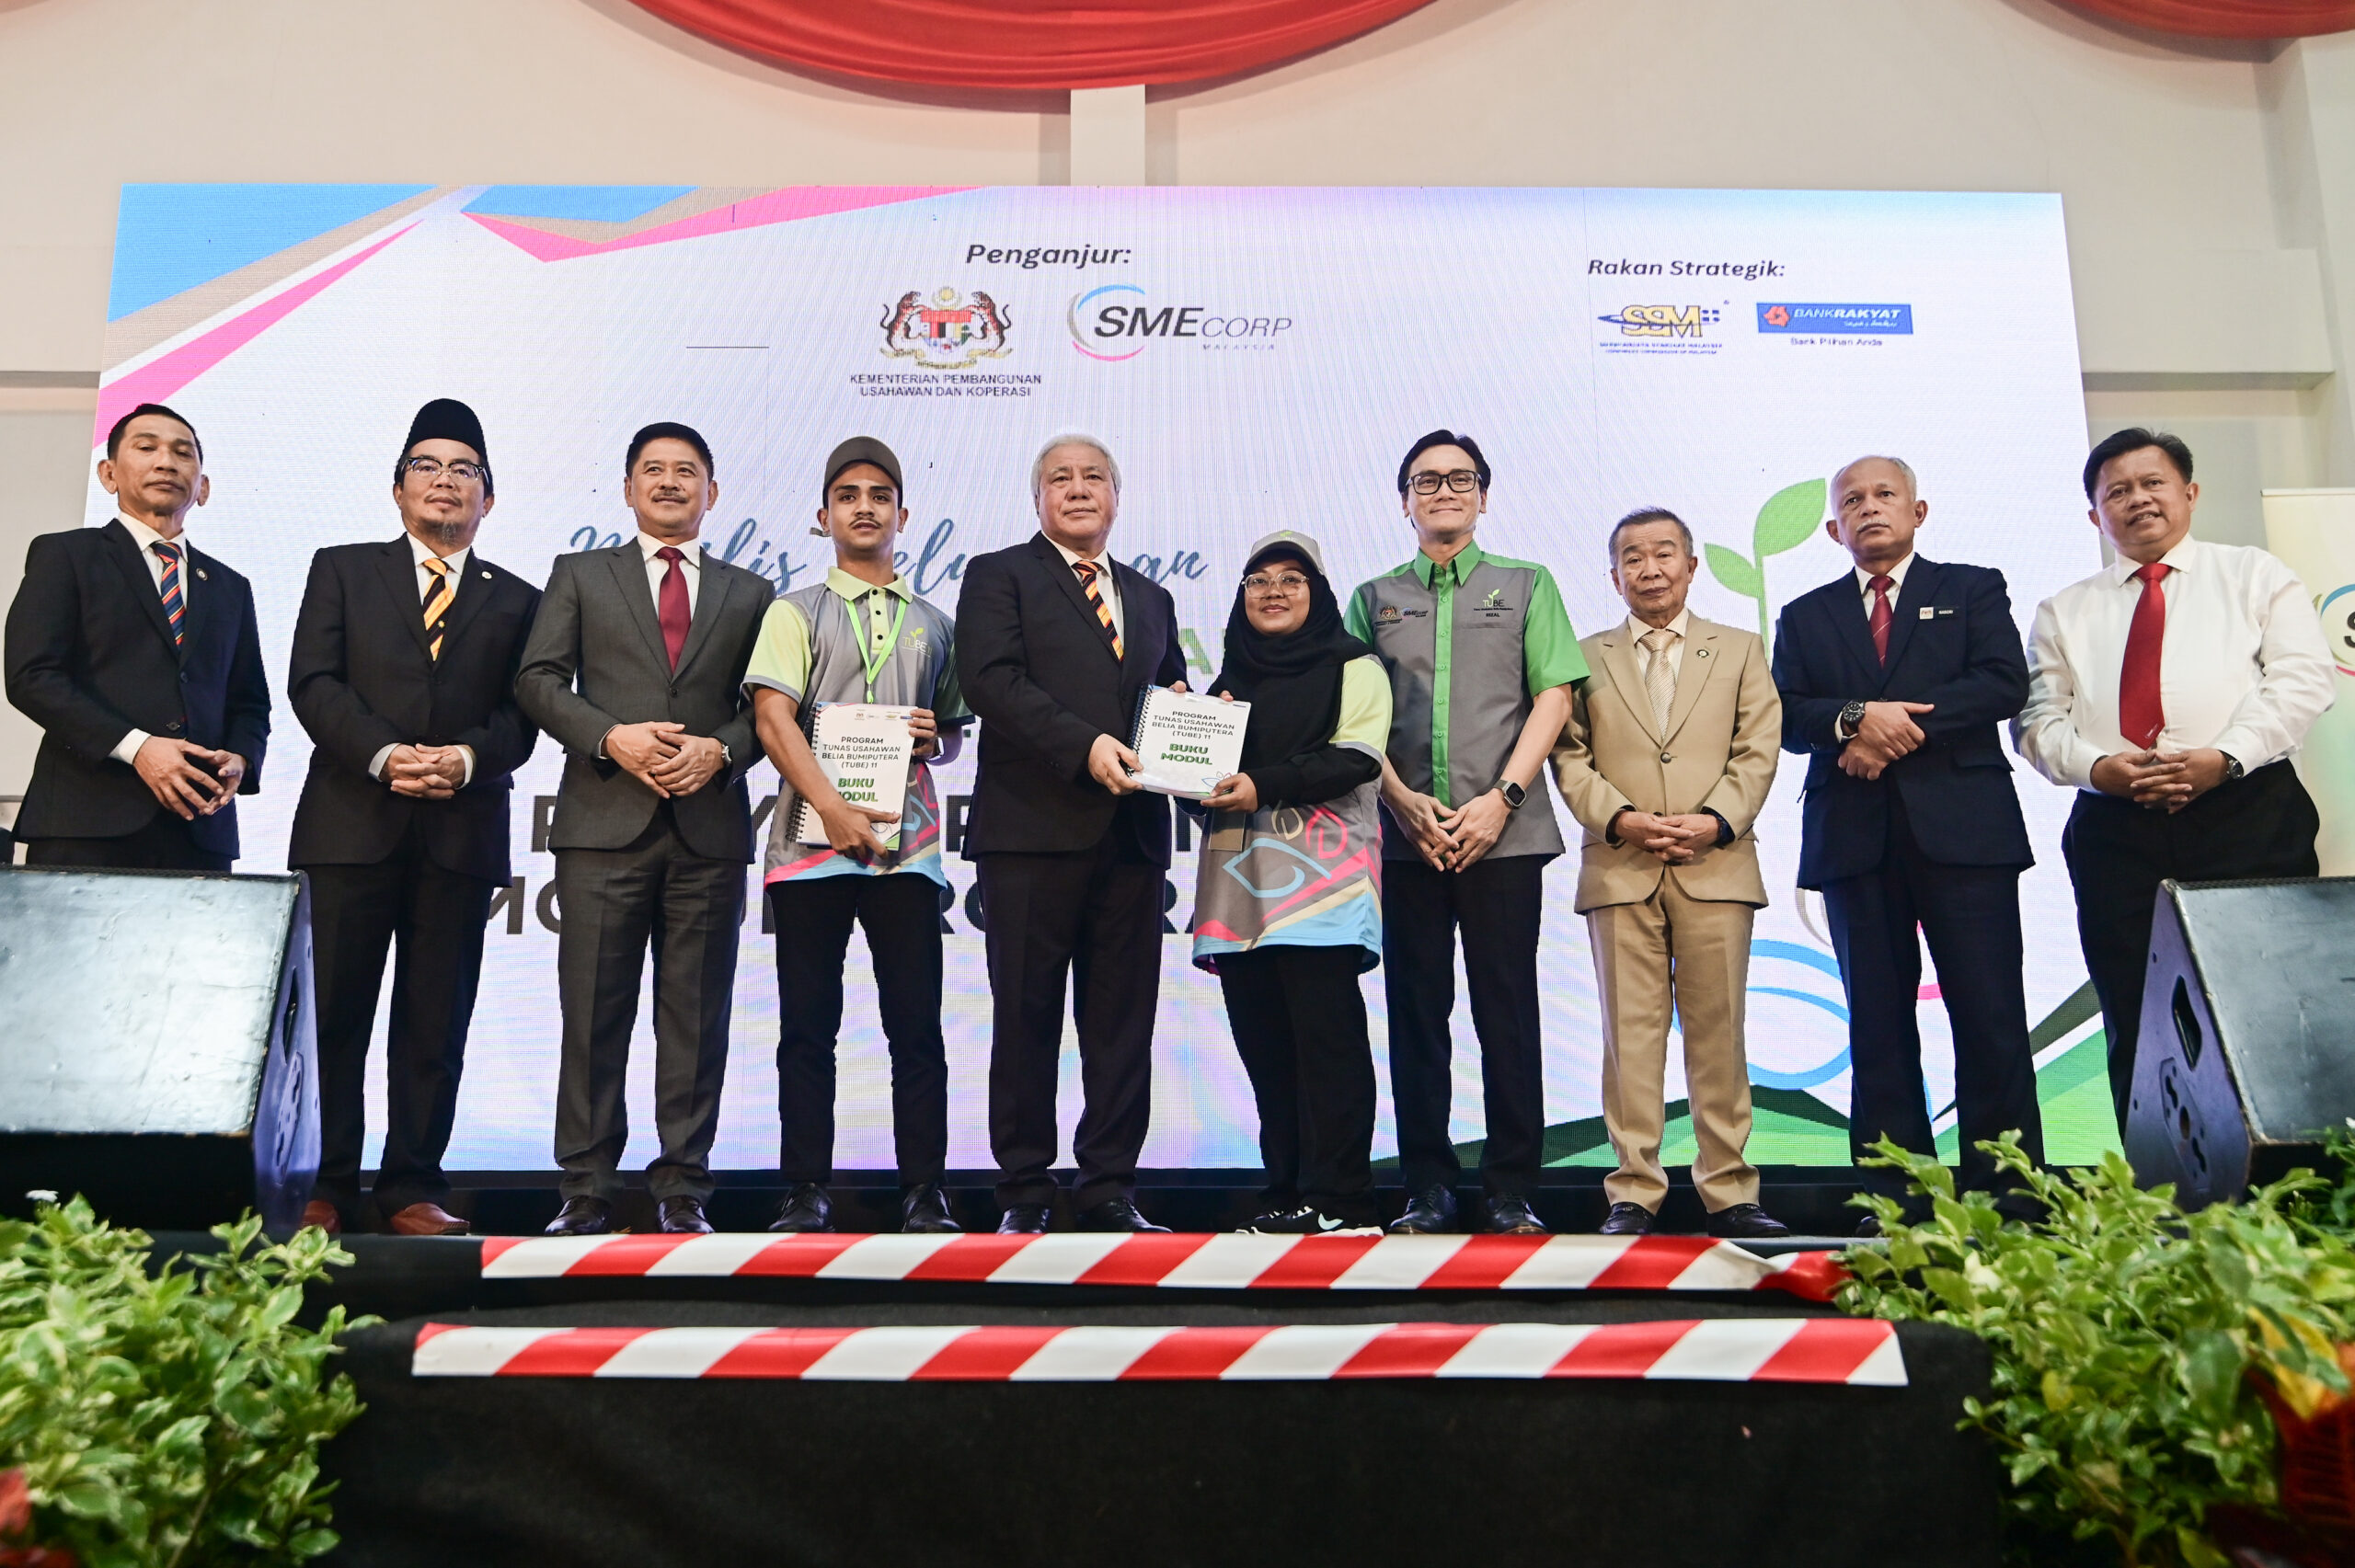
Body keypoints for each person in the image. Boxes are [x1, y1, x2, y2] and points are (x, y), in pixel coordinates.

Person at [2016, 429, 2332, 1128]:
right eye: (2117, 491)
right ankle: (2156, 1176)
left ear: (2189, 492)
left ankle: (2288, 1175)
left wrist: (2224, 757)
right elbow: (2037, 720)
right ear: (2095, 515)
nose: (2138, 499)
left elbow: (2303, 681)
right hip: (2116, 828)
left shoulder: (2253, 574)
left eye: (2152, 483)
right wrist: (2100, 769)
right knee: (2137, 1011)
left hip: (2249, 811)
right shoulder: (2063, 609)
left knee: (2273, 1005)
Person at [284, 399, 542, 1237]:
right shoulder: (342, 569)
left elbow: (524, 714)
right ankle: (322, 1183)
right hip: (349, 827)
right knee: (333, 1017)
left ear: (488, 499)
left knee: (435, 1021)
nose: (445, 481)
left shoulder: (521, 599)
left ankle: (411, 1188)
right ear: (397, 488)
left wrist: (464, 758)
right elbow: (313, 682)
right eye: (426, 466)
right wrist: (384, 753)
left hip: (459, 833)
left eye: (464, 470)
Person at [1772, 455, 2043, 1224]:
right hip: (1856, 840)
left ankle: (2010, 1193)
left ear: (1917, 511)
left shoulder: (1972, 587)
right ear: (1833, 528)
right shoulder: (1806, 614)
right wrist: (1856, 718)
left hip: (1967, 835)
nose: (1869, 507)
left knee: (1990, 1014)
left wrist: (1890, 730)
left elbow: (2002, 682)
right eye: (1852, 500)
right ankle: (1895, 1198)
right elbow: (1787, 714)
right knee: (1878, 1024)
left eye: (1885, 494)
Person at [515, 422, 771, 1237]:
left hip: (708, 829)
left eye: (685, 471)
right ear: (627, 488)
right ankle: (586, 1189)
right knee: (593, 1013)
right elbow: (537, 679)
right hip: (601, 826)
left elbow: (770, 708)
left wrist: (720, 751)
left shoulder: (752, 591)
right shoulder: (580, 574)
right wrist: (608, 737)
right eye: (652, 470)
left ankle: (683, 1189)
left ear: (711, 492)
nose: (668, 482)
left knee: (695, 1018)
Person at [1344, 430, 1584, 1236]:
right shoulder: (1372, 597)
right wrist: (1402, 801)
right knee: (1417, 1015)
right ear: (1403, 500)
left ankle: (1511, 1188)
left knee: (1507, 1013)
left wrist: (1501, 798)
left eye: (1460, 478)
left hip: (1503, 835)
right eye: (1426, 480)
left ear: (1484, 494)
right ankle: (1428, 1188)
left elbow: (1554, 696)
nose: (1443, 490)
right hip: (1406, 837)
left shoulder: (1527, 584)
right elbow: (1351, 714)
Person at [955, 433, 1189, 1234]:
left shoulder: (1152, 597)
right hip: (1030, 831)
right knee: (1025, 1017)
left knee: (1122, 1024)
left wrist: (1200, 723)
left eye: (1094, 477)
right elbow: (991, 680)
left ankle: (1108, 1186)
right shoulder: (999, 575)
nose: (1079, 488)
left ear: (1116, 497)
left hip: (1132, 839)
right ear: (1039, 499)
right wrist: (1085, 745)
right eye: (1061, 477)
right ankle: (1024, 1189)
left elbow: (1169, 694)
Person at [749, 438, 970, 1236]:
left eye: (880, 495)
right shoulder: (793, 610)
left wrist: (935, 737)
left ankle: (925, 1192)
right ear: (824, 516)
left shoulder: (936, 622)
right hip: (810, 848)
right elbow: (772, 718)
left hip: (906, 851)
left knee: (917, 1030)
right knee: (808, 1030)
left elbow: (950, 732)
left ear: (904, 515)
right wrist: (835, 809)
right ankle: (805, 1189)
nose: (865, 507)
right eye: (848, 495)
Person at [1550, 509, 1787, 1239]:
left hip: (1716, 864)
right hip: (1620, 866)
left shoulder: (1741, 648)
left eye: (1663, 554)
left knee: (1720, 1034)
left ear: (1690, 565)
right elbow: (1568, 755)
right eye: (1632, 557)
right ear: (1613, 575)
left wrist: (1716, 819)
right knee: (1629, 1038)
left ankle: (1730, 1190)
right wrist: (1619, 817)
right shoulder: (1581, 657)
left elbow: (1758, 747)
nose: (1649, 569)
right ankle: (1633, 1192)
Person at [1189, 531, 1391, 1235]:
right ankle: (1287, 1192)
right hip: (1239, 890)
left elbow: (1356, 758)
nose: (1273, 591)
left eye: (1291, 579)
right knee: (1266, 1050)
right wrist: (1177, 750)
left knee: (1326, 1042)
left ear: (1319, 591)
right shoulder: (1228, 682)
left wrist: (1261, 783)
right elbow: (1202, 790)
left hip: (1321, 885)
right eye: (1259, 580)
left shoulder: (1354, 664)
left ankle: (1344, 1198)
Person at [5, 404, 269, 870]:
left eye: (183, 453)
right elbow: (33, 677)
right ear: (109, 474)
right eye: (147, 448)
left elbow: (249, 701)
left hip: (199, 829)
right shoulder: (66, 555)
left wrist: (242, 759)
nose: (166, 462)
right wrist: (138, 747)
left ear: (203, 488)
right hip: (85, 823)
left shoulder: (230, 586)